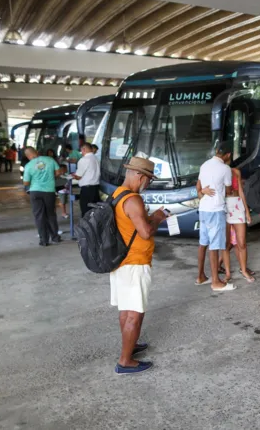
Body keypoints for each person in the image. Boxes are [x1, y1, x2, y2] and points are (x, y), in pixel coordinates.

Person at [111, 157, 167, 374]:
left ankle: (130, 345)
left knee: (126, 309)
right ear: (140, 176)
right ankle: (125, 361)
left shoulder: (118, 194)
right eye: (149, 179)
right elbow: (145, 232)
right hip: (135, 262)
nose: (148, 184)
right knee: (135, 313)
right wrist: (157, 218)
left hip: (122, 261)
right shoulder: (133, 200)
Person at [195, 142, 236, 291]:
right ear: (228, 155)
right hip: (216, 210)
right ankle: (216, 282)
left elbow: (198, 188)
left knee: (203, 243)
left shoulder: (204, 165)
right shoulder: (225, 168)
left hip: (204, 209)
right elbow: (229, 189)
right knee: (215, 245)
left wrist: (203, 193)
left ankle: (200, 277)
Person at [23, 147, 63, 246]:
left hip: (35, 192)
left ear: (28, 156)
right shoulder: (50, 160)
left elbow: (26, 182)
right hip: (49, 191)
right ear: (36, 152)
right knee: (51, 214)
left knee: (39, 216)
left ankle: (44, 240)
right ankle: (55, 237)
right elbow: (59, 172)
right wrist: (51, 178)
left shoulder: (28, 165)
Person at [225, 163, 255, 283]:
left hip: (237, 205)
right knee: (226, 244)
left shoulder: (236, 172)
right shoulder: (219, 172)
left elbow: (241, 192)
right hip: (225, 206)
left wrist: (247, 211)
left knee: (242, 243)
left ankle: (244, 270)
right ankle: (227, 274)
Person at [73, 142, 101, 217]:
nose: (81, 153)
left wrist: (73, 176)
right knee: (95, 212)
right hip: (96, 188)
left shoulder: (84, 160)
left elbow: (78, 176)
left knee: (86, 212)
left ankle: (86, 228)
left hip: (87, 190)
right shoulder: (96, 158)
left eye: (81, 150)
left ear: (84, 149)